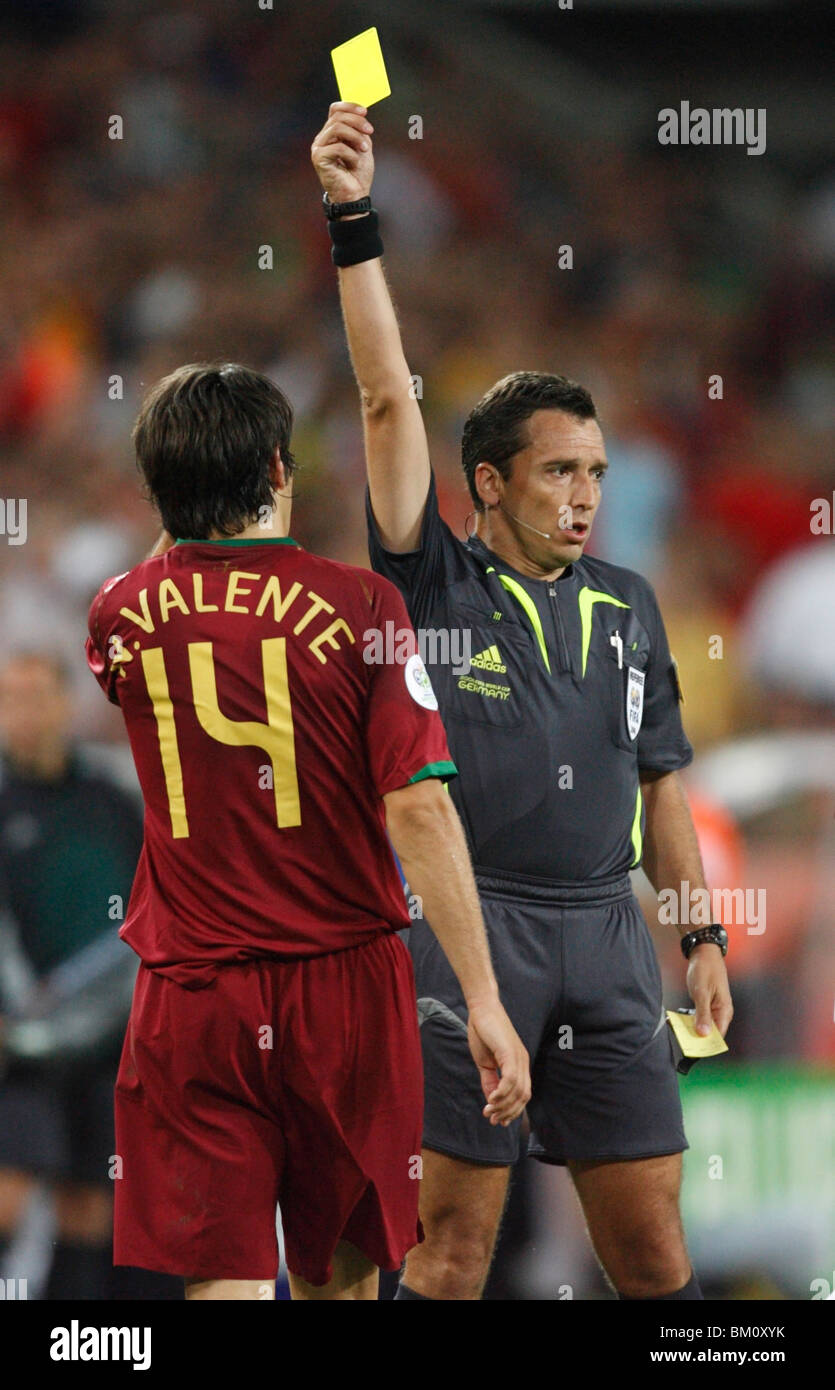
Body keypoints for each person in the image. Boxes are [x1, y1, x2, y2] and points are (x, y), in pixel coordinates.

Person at [311, 101, 733, 1301]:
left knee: (655, 1257)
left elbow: (664, 789)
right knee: (451, 1253)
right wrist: (354, 219)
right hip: (468, 934)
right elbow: (389, 398)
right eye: (559, 470)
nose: (585, 493)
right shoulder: (431, 575)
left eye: (596, 472)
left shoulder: (631, 602)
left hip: (607, 937)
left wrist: (698, 933)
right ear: (486, 482)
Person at [84, 362, 529, 1302]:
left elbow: (173, 587)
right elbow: (416, 805)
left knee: (222, 1278)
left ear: (161, 486)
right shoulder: (365, 608)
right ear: (281, 470)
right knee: (342, 1276)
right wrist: (484, 998)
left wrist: (187, 498)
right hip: (342, 989)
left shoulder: (118, 612)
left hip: (191, 992)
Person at [0, 651, 148, 1299]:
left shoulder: (111, 799)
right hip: (15, 1039)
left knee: (90, 1207)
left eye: (34, 695)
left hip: (105, 1036)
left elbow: (149, 904)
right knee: (8, 1195)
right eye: (8, 699)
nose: (21, 713)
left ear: (66, 704)